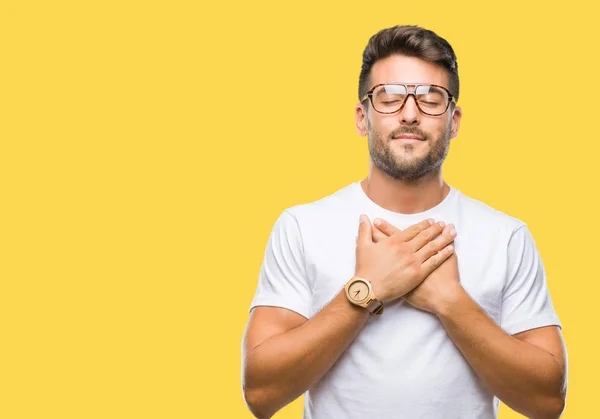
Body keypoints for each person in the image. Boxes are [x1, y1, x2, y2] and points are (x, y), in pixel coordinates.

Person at [241, 25, 567, 419]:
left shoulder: (507, 236)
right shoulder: (301, 226)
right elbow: (260, 393)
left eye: (431, 99)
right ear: (363, 118)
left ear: (455, 120)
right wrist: (367, 290)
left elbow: (549, 402)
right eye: (390, 98)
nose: (410, 114)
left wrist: (450, 301)